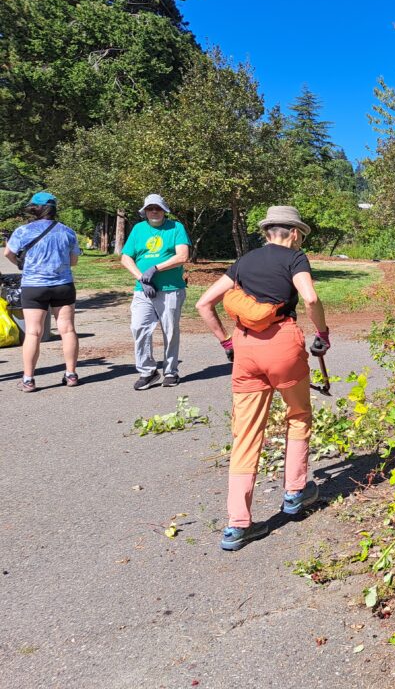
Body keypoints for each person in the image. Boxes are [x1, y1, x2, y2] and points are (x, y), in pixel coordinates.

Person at [195, 206, 329, 551]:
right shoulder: (295, 259)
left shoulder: (244, 262)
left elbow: (204, 304)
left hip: (245, 350)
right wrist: (322, 332)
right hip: (282, 344)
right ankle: (295, 493)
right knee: (298, 415)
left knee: (246, 434)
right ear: (295, 233)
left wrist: (226, 342)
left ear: (267, 231)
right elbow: (310, 296)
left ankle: (237, 525)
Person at [3, 192, 81, 391]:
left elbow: (8, 254)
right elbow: (74, 261)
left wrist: (22, 263)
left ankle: (28, 379)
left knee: (33, 332)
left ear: (34, 208)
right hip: (63, 285)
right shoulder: (68, 232)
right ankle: (71, 375)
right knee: (67, 329)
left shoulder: (22, 231)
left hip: (34, 286)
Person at [120, 194, 190, 389]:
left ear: (164, 210)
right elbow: (126, 258)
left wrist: (155, 269)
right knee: (139, 327)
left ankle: (170, 371)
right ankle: (147, 371)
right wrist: (142, 278)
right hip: (143, 290)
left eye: (157, 208)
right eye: (150, 208)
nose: (154, 211)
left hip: (170, 288)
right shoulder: (138, 229)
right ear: (145, 211)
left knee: (170, 330)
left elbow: (182, 255)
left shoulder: (176, 228)